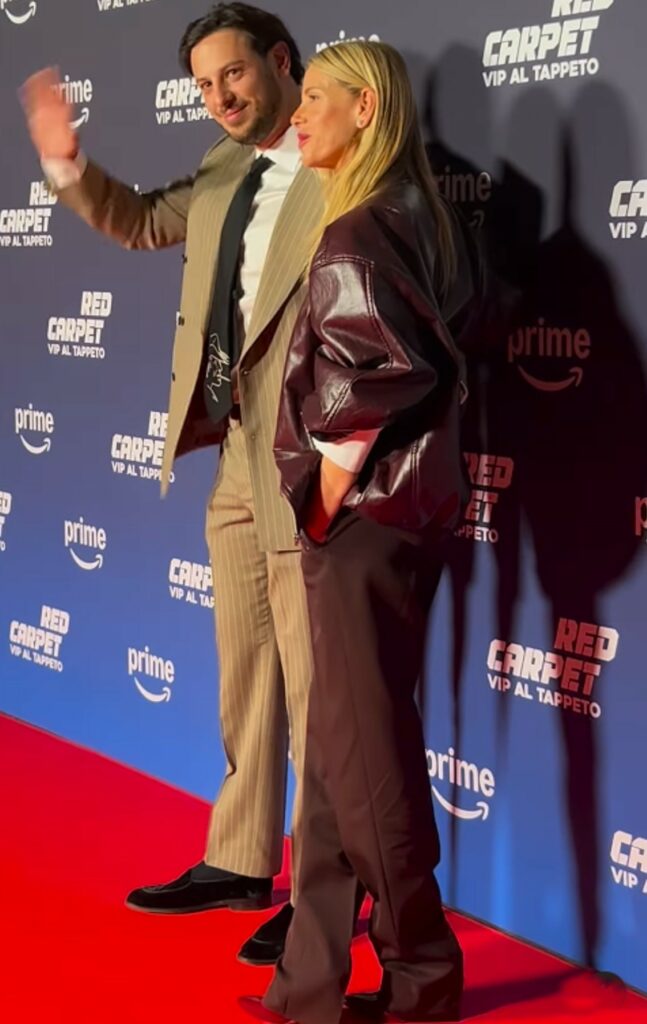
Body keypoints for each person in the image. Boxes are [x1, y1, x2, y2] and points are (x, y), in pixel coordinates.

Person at [19, 2, 325, 965]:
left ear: (281, 61)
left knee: (320, 687)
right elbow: (144, 222)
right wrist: (66, 163)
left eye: (232, 74)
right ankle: (239, 859)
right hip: (231, 446)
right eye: (202, 85)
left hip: (311, 452)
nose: (219, 97)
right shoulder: (225, 166)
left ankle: (325, 893)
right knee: (248, 666)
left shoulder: (340, 162)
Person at [240, 40, 477, 1024]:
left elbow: (373, 377)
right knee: (341, 752)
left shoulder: (357, 230)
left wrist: (323, 501)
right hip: (404, 517)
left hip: (362, 521)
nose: (297, 114)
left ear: (366, 107)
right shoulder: (415, 217)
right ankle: (310, 985)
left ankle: (422, 977)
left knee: (364, 758)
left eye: (315, 98)